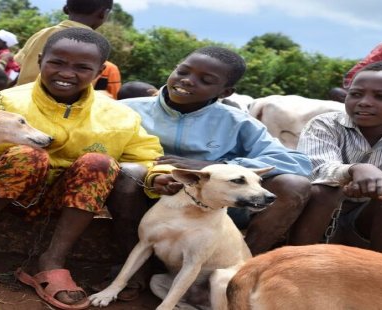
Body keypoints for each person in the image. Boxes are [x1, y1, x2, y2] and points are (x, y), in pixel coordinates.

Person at [0, 28, 162, 309]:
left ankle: (52, 261)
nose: (67, 73)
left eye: (82, 67)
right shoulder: (0, 104)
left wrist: (160, 177)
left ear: (99, 73)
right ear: (40, 61)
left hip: (70, 207)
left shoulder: (120, 116)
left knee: (99, 163)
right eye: (57, 62)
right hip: (0, 197)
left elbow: (148, 159)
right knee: (28, 155)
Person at [113, 47, 312, 294]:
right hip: (149, 199)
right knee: (128, 170)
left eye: (205, 80)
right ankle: (135, 274)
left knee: (294, 185)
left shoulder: (237, 121)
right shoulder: (127, 109)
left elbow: (298, 162)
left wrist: (214, 168)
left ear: (225, 92)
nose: (187, 80)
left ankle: (238, 272)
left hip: (216, 208)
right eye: (182, 71)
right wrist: (153, 176)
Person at [290, 61, 382, 253]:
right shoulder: (326, 124)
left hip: (368, 221)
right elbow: (315, 168)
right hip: (317, 214)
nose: (364, 102)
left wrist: (375, 186)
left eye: (381, 96)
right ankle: (297, 260)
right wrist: (355, 170)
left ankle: (379, 272)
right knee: (324, 191)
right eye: (356, 94)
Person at [14, 0, 113, 86]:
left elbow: (19, 65)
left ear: (66, 8)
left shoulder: (41, 34)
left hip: (22, 99)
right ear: (104, 13)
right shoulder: (92, 45)